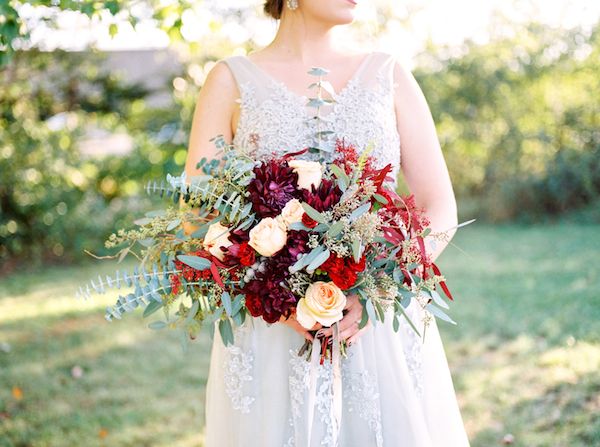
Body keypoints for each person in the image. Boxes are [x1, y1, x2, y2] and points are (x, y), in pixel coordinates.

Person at [184, 0, 471, 445]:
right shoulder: (230, 80)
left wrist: (380, 287)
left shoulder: (389, 75)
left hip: (376, 329)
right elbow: (198, 216)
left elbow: (439, 206)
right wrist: (275, 296)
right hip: (271, 332)